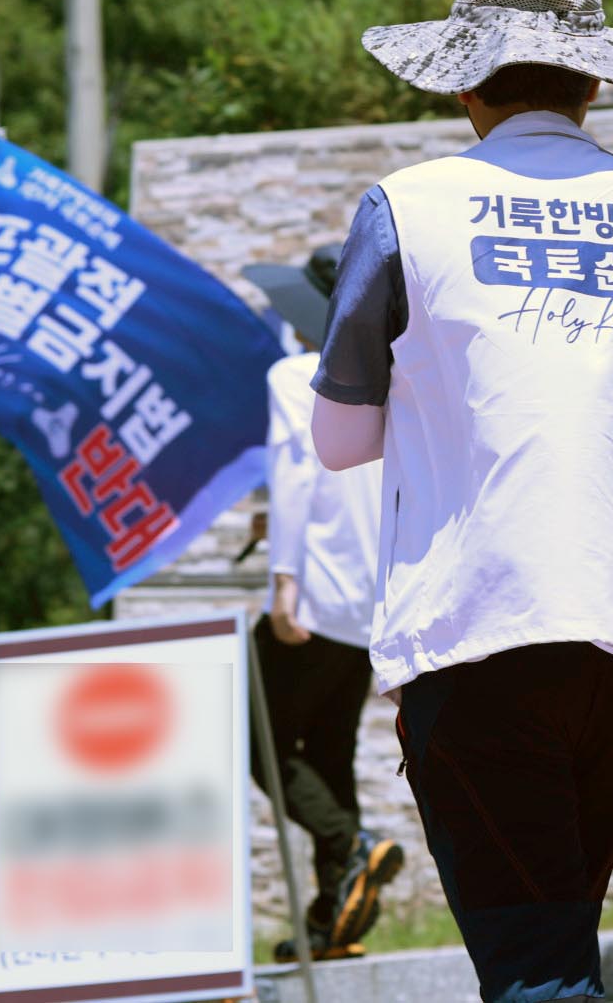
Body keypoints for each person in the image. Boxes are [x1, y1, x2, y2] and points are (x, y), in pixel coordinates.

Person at [311, 0, 613, 1003]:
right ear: (592, 80)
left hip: (479, 631)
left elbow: (338, 439)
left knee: (531, 968)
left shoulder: (407, 207)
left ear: (465, 80)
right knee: (552, 942)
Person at [242, 245, 402, 963]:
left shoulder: (291, 374)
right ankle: (335, 914)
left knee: (256, 738)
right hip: (371, 604)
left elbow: (296, 476)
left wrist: (282, 582)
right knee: (329, 752)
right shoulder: (391, 375)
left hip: (315, 594)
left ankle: (348, 844)